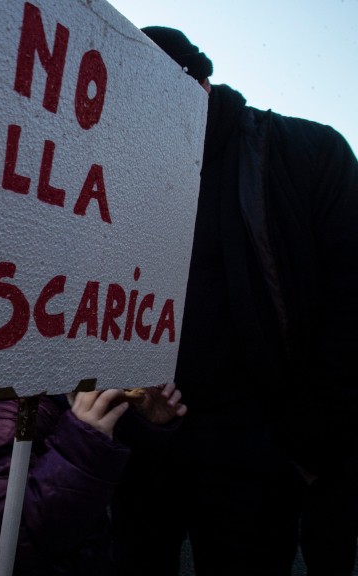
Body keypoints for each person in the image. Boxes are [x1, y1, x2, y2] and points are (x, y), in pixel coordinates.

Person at [112, 27, 358, 576]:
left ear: (198, 82)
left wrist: (299, 453)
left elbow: (350, 309)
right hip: (143, 449)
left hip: (260, 455)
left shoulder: (308, 156)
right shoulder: (116, 175)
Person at [0, 384, 187, 575]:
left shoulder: (66, 382)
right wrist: (84, 446)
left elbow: (103, 468)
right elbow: (9, 537)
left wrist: (144, 422)